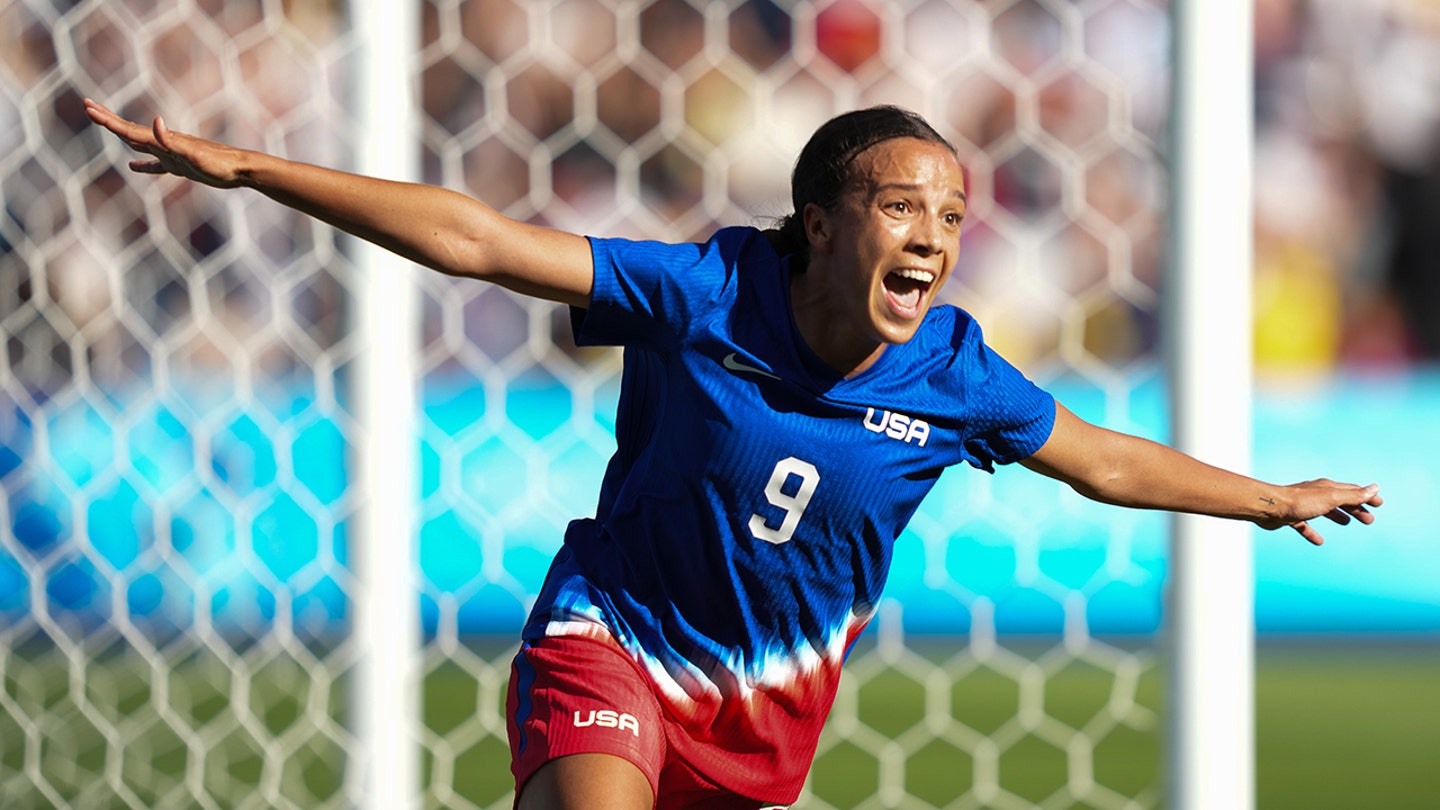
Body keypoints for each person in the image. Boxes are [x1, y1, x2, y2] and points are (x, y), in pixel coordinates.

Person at [86, 99, 1383, 810]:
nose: (930, 235)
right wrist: (255, 168)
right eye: (899, 204)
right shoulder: (707, 287)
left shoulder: (957, 370)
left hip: (762, 725)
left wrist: (1268, 498)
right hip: (614, 636)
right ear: (819, 223)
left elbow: (1101, 458)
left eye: (949, 214)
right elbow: (478, 240)